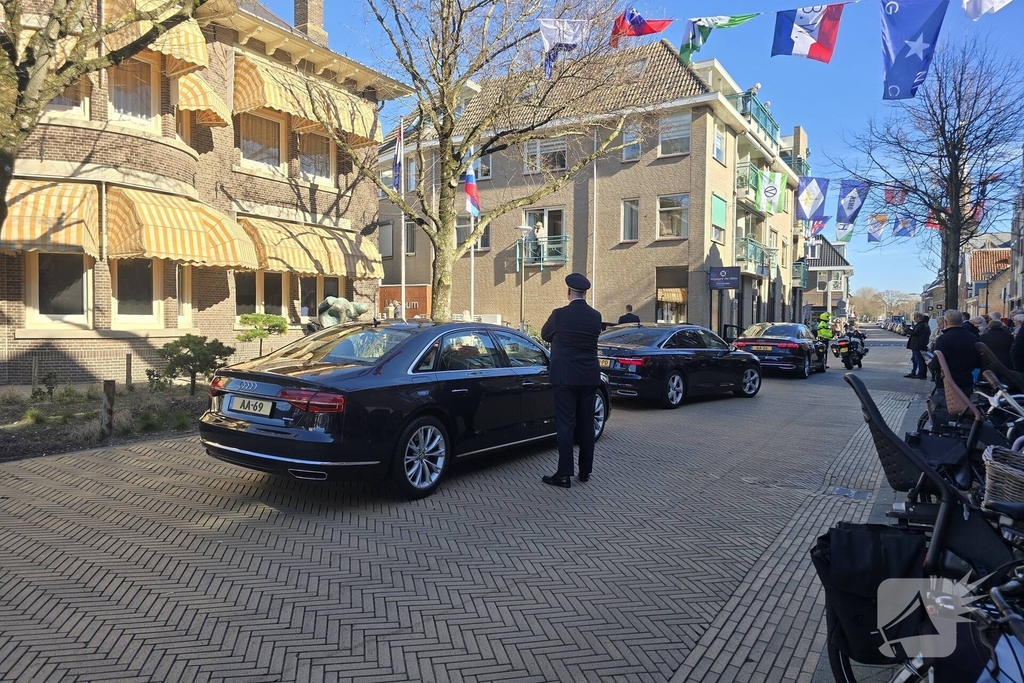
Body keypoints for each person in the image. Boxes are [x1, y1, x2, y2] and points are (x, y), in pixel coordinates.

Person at [540, 273, 603, 489]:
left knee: (566, 424)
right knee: (586, 423)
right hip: (588, 377)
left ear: (568, 292)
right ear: (585, 293)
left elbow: (545, 334)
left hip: (565, 377)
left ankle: (564, 474)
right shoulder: (596, 316)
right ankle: (585, 471)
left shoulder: (559, 315)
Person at [929, 310, 981, 395]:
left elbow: (937, 364)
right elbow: (979, 362)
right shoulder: (973, 338)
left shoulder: (943, 339)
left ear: (945, 322)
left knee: (944, 406)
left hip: (946, 383)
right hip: (966, 381)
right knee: (965, 406)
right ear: (961, 321)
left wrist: (930, 363)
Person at [905, 312, 930, 379]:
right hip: (916, 345)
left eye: (915, 317)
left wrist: (906, 330)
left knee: (919, 360)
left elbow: (915, 333)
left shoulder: (921, 325)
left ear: (919, 318)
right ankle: (914, 372)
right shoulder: (920, 325)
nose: (914, 319)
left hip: (918, 345)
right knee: (914, 359)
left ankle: (921, 374)